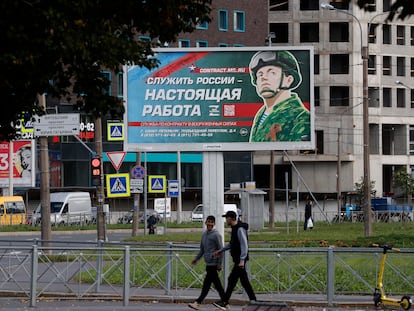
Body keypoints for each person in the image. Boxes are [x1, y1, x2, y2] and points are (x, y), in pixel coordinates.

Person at [248, 50, 310, 142]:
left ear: (288, 80)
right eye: (260, 74)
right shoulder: (260, 114)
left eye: (272, 72)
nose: (263, 77)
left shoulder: (300, 118)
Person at [212, 211, 256, 311]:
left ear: (230, 218)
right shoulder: (235, 228)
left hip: (239, 261)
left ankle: (225, 302)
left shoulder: (240, 229)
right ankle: (253, 301)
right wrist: (220, 250)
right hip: (238, 259)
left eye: (226, 218)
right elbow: (232, 244)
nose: (225, 220)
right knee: (244, 282)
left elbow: (244, 245)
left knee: (232, 280)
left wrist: (242, 260)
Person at [188, 215, 226, 310]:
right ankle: (226, 302)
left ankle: (198, 302)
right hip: (208, 263)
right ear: (205, 222)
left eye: (211, 222)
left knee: (207, 285)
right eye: (208, 222)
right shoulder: (204, 234)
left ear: (214, 224)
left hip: (214, 264)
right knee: (216, 285)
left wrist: (219, 263)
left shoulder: (216, 235)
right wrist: (196, 259)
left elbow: (220, 250)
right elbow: (202, 250)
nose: (209, 224)